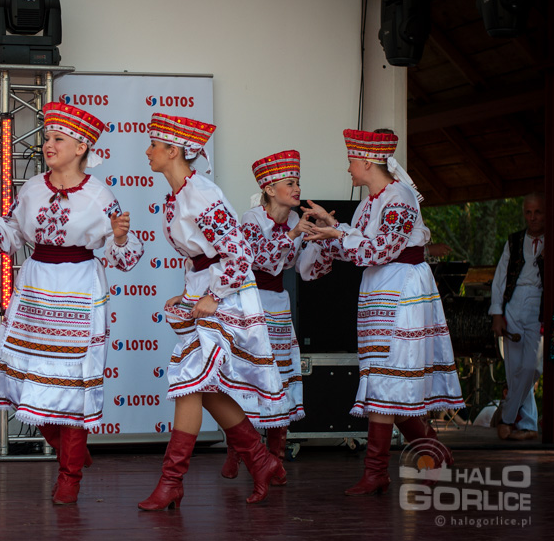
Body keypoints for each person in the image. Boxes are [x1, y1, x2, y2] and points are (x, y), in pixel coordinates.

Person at [0, 102, 143, 505]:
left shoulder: (100, 195)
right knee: (25, 377)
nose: (48, 144)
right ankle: (73, 450)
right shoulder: (32, 188)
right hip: (35, 289)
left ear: (81, 147)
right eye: (47, 138)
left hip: (78, 289)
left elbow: (125, 257)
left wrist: (120, 237)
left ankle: (69, 475)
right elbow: (12, 237)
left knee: (72, 384)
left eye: (58, 139)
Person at [299, 128, 464, 496]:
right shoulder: (369, 204)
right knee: (385, 380)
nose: (348, 169)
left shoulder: (400, 198)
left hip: (403, 291)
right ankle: (431, 454)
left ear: (367, 161)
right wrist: (330, 228)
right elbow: (356, 249)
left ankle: (378, 470)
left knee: (387, 378)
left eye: (351, 161)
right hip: (379, 290)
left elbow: (378, 250)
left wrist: (337, 234)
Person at [138, 113, 285, 510]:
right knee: (203, 386)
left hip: (228, 294)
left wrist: (215, 296)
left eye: (154, 144)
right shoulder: (180, 194)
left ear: (173, 151)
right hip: (209, 290)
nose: (148, 151)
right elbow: (202, 257)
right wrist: (187, 295)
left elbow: (238, 253)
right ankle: (260, 459)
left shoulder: (201, 193)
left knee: (190, 380)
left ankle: (172, 481)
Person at [220, 150, 313, 484]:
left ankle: (275, 459)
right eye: (290, 183)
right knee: (249, 377)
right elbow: (260, 261)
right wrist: (293, 234)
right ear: (270, 190)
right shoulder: (251, 219)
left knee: (279, 378)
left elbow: (302, 268)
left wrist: (320, 237)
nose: (297, 188)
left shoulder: (295, 220)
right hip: (251, 303)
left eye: (298, 182)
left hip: (277, 304)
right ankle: (238, 450)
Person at [489, 192, 545, 441]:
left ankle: (506, 418)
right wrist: (497, 313)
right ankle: (529, 425)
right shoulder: (514, 241)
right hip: (513, 304)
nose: (532, 217)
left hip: (540, 305)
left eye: (538, 212)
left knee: (533, 366)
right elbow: (500, 279)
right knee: (514, 371)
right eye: (528, 212)